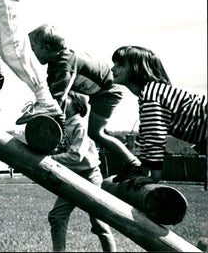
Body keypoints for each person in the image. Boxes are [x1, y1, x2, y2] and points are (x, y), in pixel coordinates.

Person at [29, 24, 142, 175]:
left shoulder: (65, 63)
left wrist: (55, 124)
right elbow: (51, 94)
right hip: (97, 93)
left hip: (108, 92)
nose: (32, 53)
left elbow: (58, 97)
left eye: (34, 48)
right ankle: (129, 163)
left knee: (96, 133)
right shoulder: (55, 64)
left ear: (47, 48)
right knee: (96, 132)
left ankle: (133, 163)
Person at [110, 45, 207, 183]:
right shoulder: (150, 93)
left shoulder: (152, 95)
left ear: (138, 69)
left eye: (120, 65)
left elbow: (155, 137)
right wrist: (143, 172)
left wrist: (153, 177)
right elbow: (145, 137)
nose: (113, 68)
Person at [48, 93, 117, 252]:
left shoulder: (80, 125)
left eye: (68, 97)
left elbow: (76, 156)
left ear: (78, 104)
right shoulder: (63, 125)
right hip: (71, 176)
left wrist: (51, 158)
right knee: (57, 216)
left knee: (99, 222)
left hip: (89, 175)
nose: (63, 100)